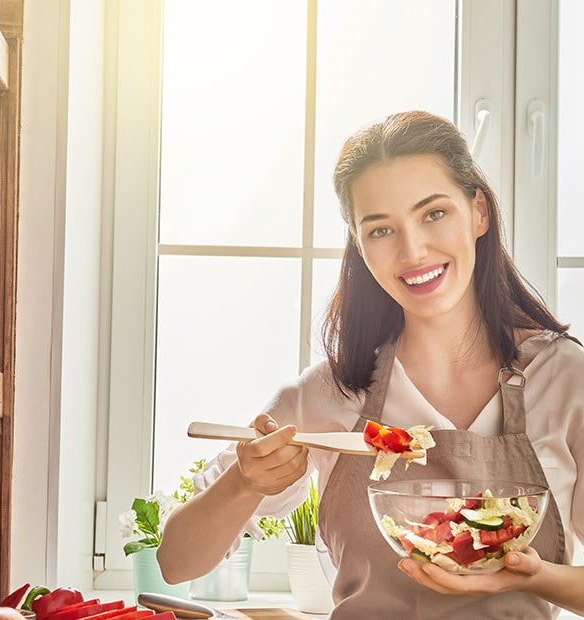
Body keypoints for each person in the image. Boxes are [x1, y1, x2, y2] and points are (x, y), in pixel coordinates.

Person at [157, 111, 584, 618]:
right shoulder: (331, 392)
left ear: (479, 214)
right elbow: (176, 562)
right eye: (381, 229)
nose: (413, 250)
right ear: (360, 245)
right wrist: (245, 482)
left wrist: (534, 576)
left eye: (434, 214)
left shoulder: (563, 378)